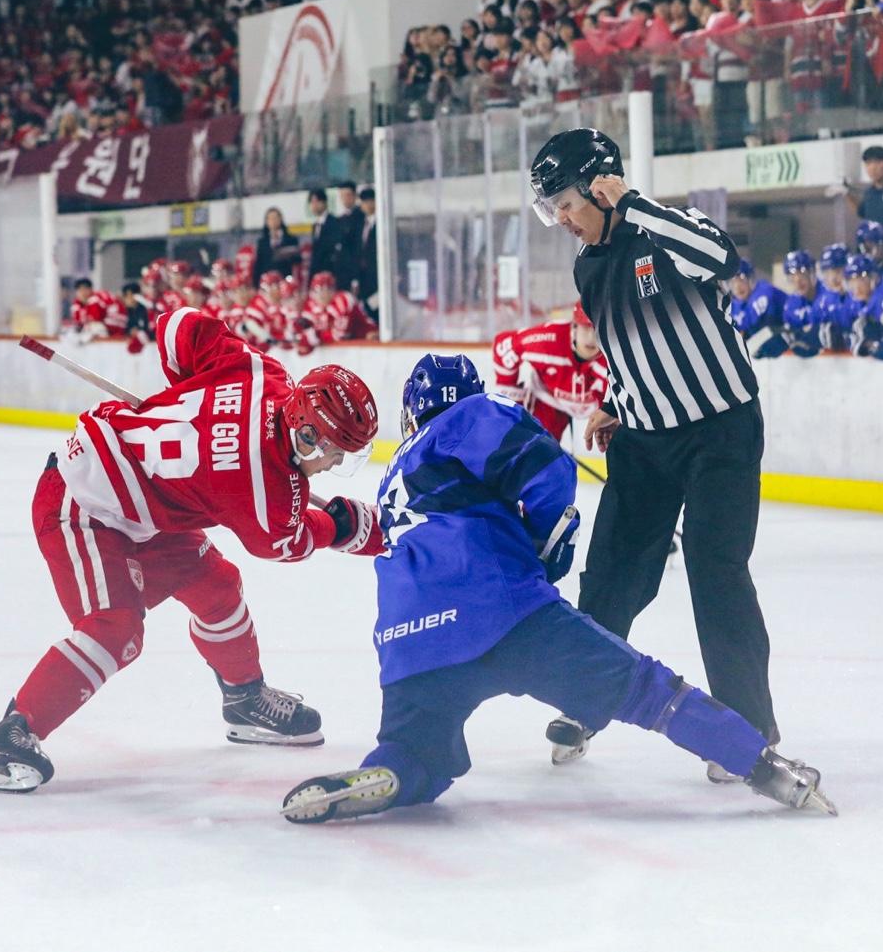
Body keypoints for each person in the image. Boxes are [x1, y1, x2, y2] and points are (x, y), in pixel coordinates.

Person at [279, 354, 835, 824]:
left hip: (409, 642)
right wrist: (543, 548)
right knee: (647, 690)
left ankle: (394, 772)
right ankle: (768, 770)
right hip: (503, 611)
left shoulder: (396, 471)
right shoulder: (470, 414)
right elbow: (547, 470)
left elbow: (371, 529)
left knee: (417, 749)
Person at [0, 310, 383, 792]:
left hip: (145, 503)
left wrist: (192, 400)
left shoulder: (262, 374)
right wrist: (347, 526)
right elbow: (286, 540)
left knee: (217, 586)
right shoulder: (265, 488)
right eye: (333, 451)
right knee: (116, 629)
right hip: (82, 502)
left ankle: (244, 700)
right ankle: (10, 737)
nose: (334, 464)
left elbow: (179, 326)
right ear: (306, 431)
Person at [525, 129, 781, 779]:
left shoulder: (668, 229)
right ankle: (586, 697)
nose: (561, 217)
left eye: (566, 202)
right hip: (646, 438)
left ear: (600, 186)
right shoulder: (588, 265)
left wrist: (634, 203)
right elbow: (630, 346)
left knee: (714, 565)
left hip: (721, 431)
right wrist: (618, 400)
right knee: (612, 569)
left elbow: (720, 257)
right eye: (552, 206)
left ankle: (747, 725)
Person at [492, 302, 612, 441]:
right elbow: (504, 345)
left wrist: (612, 411)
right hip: (549, 400)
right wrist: (513, 398)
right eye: (585, 328)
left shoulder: (614, 351)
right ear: (574, 326)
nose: (591, 337)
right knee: (534, 452)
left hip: (598, 405)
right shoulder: (549, 340)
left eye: (597, 329)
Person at [842, 253, 883, 357]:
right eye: (852, 281)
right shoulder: (852, 301)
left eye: (861, 280)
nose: (856, 287)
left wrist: (872, 345)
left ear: (874, 278)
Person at [727, 259, 789, 358]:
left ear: (750, 279)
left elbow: (763, 328)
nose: (737, 286)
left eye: (741, 279)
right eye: (733, 281)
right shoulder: (734, 305)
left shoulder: (764, 291)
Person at [779, 249, 825, 358]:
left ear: (812, 273)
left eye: (803, 274)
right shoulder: (791, 304)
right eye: (792, 277)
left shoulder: (828, 295)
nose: (798, 281)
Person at [66, 277, 125, 344]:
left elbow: (95, 321)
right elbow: (79, 324)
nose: (83, 293)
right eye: (80, 290)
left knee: (94, 327)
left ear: (91, 289)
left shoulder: (95, 299)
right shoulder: (77, 304)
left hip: (117, 329)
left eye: (85, 289)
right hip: (109, 327)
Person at [814, 244, 849, 351]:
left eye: (838, 271)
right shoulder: (822, 303)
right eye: (827, 273)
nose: (833, 279)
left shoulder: (863, 298)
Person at [254, 208, 299, 280]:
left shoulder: (291, 239)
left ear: (280, 219)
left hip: (285, 279)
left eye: (275, 218)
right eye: (270, 219)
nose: (273, 221)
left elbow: (297, 260)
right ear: (266, 222)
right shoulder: (262, 242)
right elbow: (259, 264)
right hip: (267, 281)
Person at [356, 187, 379, 321]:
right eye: (365, 202)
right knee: (367, 307)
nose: (368, 205)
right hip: (364, 276)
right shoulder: (360, 224)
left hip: (377, 275)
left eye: (371, 201)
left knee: (377, 304)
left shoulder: (383, 222)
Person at [306, 188, 341, 278]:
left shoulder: (334, 222)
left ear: (324, 202)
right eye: (311, 202)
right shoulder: (315, 226)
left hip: (331, 271)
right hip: (318, 273)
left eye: (317, 201)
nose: (314, 205)